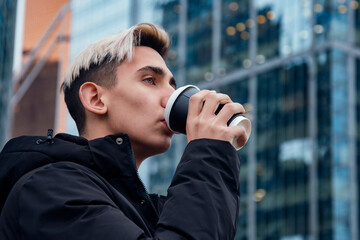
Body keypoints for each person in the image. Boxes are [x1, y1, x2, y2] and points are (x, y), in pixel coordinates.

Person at [0, 23, 246, 239]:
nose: (171, 98)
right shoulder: (49, 189)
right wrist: (210, 151)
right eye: (150, 80)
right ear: (95, 98)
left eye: (173, 86)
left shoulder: (152, 213)